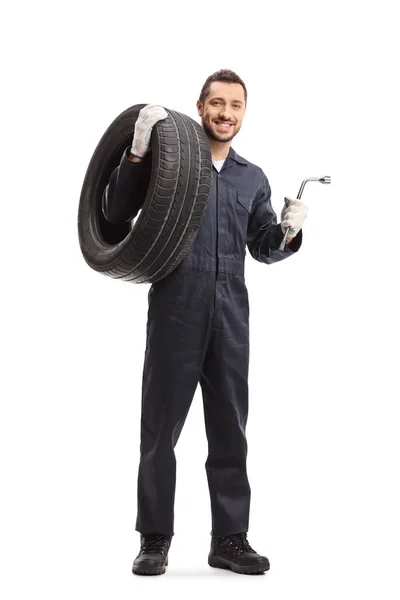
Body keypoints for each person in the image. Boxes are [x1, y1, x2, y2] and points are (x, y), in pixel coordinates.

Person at [102, 69, 308, 576]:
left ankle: (230, 540)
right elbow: (115, 212)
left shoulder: (251, 177)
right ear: (199, 107)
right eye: (216, 103)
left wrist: (288, 233)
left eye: (235, 105)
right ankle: (154, 539)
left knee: (230, 429)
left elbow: (262, 247)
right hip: (177, 305)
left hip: (231, 314)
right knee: (160, 428)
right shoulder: (171, 165)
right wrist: (136, 154)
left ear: (243, 113)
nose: (225, 113)